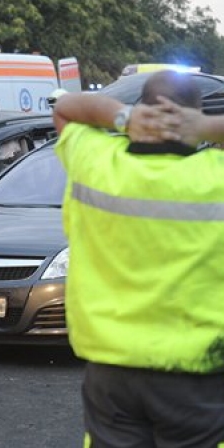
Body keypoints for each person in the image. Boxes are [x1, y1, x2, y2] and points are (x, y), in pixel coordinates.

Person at [52, 70, 224, 447]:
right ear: (193, 115)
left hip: (112, 375)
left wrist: (123, 117)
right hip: (197, 376)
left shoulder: (95, 163)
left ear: (141, 107)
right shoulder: (215, 177)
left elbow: (65, 108)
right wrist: (207, 126)